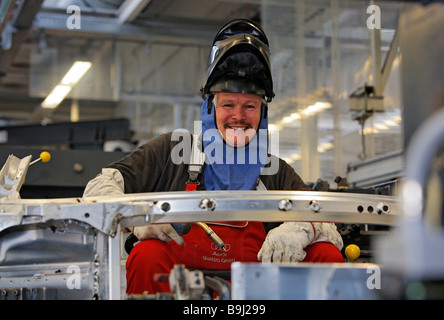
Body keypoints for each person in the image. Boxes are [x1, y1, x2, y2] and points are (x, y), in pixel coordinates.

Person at [83, 19, 344, 295]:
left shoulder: (275, 171)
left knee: (324, 255)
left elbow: (327, 222)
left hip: (254, 297)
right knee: (147, 253)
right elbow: (97, 189)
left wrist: (299, 230)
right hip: (179, 290)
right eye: (228, 104)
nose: (239, 116)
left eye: (250, 106)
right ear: (210, 107)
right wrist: (136, 221)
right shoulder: (171, 152)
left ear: (263, 114)